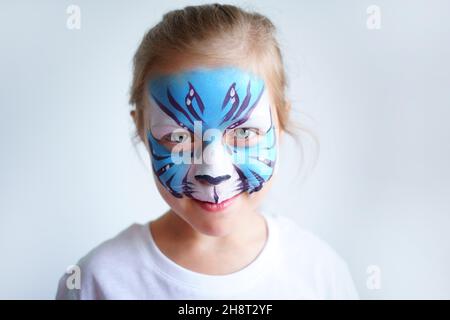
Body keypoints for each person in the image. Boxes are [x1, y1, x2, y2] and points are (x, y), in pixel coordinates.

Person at [56, 3, 358, 300]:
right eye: (179, 137)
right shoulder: (98, 281)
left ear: (280, 124)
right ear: (141, 130)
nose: (213, 172)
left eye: (243, 133)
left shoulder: (320, 275)